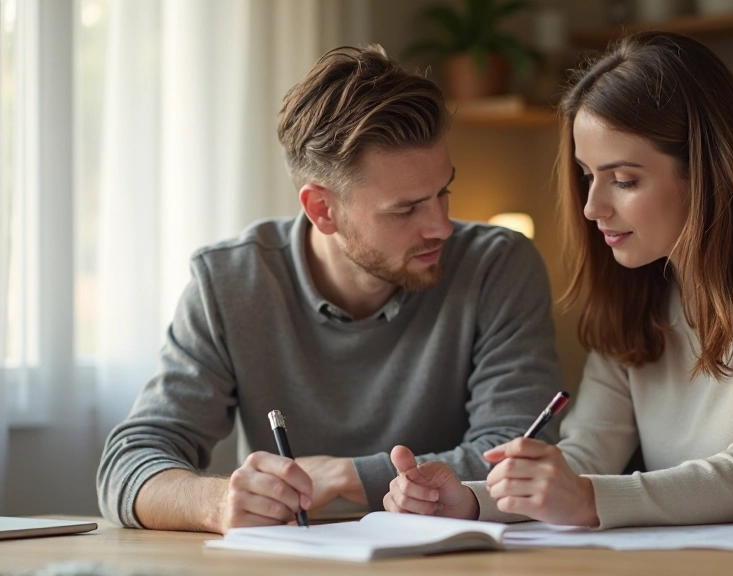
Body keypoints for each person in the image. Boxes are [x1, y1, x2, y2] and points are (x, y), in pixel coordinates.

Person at [383, 32, 733, 529]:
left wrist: (588, 499)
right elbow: (583, 459)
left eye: (623, 179)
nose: (594, 206)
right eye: (587, 176)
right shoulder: (642, 293)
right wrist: (471, 500)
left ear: (707, 169)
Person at [96, 45, 562, 534]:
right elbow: (128, 464)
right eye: (406, 210)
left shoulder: (497, 265)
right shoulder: (229, 283)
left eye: (443, 192)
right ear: (322, 209)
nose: (441, 226)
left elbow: (520, 452)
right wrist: (218, 503)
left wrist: (348, 476)